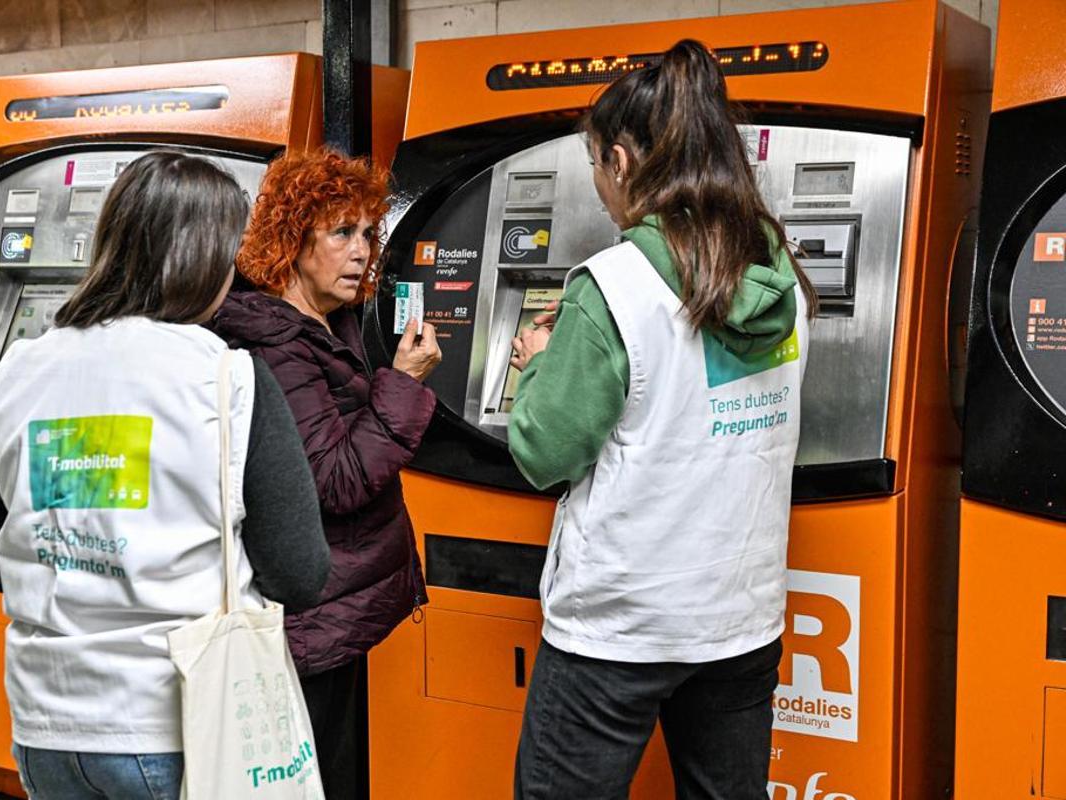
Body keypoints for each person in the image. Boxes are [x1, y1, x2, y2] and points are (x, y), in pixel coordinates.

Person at [0, 151, 330, 800]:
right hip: (174, 722)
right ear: (207, 260)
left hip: (46, 725)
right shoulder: (227, 377)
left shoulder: (17, 370)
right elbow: (299, 574)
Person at [507, 40, 818, 800]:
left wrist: (537, 362)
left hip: (619, 625)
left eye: (593, 164)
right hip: (739, 618)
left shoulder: (613, 286)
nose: (597, 186)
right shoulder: (784, 279)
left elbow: (545, 450)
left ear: (620, 161)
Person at [212, 148, 440, 800]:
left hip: (335, 608)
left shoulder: (325, 324)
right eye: (341, 233)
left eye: (368, 232)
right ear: (292, 238)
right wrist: (403, 384)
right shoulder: (275, 345)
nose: (362, 251)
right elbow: (334, 480)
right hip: (313, 617)